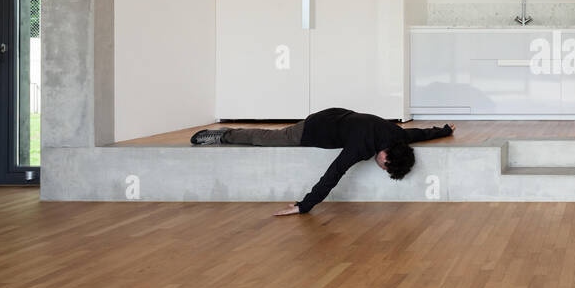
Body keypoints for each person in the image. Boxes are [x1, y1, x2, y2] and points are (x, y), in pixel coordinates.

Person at [190, 108, 454, 215]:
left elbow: (419, 134)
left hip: (336, 115)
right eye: (385, 167)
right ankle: (225, 136)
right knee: (270, 138)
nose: (381, 167)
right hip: (313, 129)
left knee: (271, 137)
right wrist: (304, 206)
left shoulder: (396, 135)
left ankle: (227, 135)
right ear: (385, 157)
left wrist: (444, 130)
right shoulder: (361, 147)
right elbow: (333, 173)